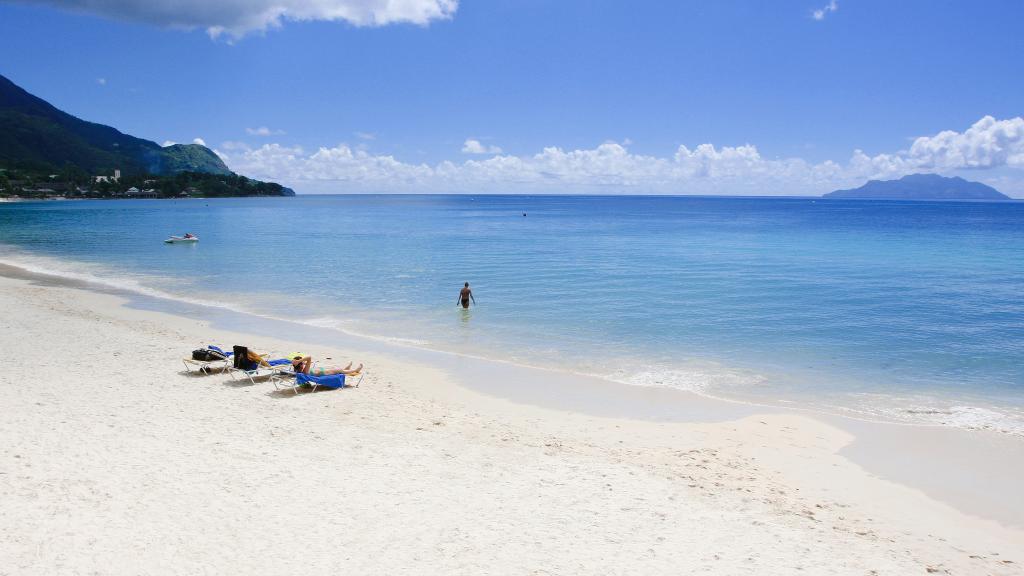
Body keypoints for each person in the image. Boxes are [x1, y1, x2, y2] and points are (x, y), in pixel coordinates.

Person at [290, 353, 363, 377]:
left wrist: (299, 362)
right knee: (339, 370)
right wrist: (299, 361)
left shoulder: (299, 370)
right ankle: (356, 370)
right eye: (302, 363)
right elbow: (309, 357)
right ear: (300, 365)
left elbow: (299, 365)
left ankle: (347, 368)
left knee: (336, 367)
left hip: (322, 370)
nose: (303, 363)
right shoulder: (305, 371)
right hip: (325, 373)